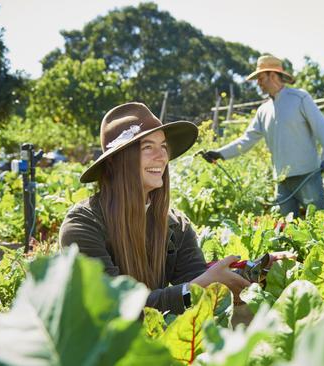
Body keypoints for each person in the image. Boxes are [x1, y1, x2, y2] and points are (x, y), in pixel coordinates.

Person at [59, 102, 250, 314]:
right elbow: (115, 305)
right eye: (147, 147)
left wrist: (255, 270)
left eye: (163, 146)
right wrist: (195, 289)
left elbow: (195, 278)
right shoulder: (84, 225)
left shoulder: (175, 225)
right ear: (115, 161)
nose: (161, 157)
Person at [202, 54, 324, 217]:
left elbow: (322, 128)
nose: (258, 83)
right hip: (282, 181)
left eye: (260, 77)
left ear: (273, 75)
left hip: (307, 176)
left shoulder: (300, 98)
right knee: (287, 229)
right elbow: (246, 140)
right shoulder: (263, 110)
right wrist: (219, 153)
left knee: (320, 223)